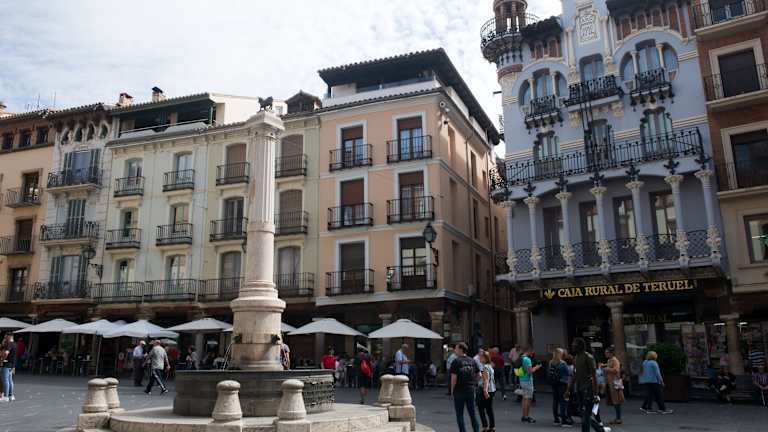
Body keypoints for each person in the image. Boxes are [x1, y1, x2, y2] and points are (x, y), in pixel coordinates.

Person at [566, 338, 603, 432]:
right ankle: (599, 429)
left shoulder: (588, 357)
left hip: (588, 388)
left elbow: (594, 376)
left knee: (586, 413)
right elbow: (575, 374)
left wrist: (596, 394)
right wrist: (568, 389)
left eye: (574, 345)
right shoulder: (576, 358)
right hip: (579, 388)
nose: (572, 346)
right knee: (582, 412)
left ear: (580, 346)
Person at [450, 342, 480, 432]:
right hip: (470, 389)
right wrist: (474, 383)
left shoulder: (456, 362)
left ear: (460, 349)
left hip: (459, 390)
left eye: (456, 348)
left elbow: (454, 378)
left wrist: (452, 390)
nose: (455, 350)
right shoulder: (472, 361)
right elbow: (479, 375)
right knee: (472, 413)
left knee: (460, 414)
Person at [549, 347, 572, 427]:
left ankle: (556, 419)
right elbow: (568, 374)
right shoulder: (563, 363)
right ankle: (564, 421)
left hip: (554, 383)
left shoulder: (551, 362)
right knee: (563, 402)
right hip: (562, 383)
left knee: (555, 401)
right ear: (560, 354)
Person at [602, 347, 625, 426]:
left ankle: (618, 418)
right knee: (615, 401)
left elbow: (616, 370)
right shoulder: (609, 360)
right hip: (611, 383)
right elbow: (610, 366)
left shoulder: (615, 360)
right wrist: (604, 365)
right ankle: (617, 418)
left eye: (607, 352)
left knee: (617, 401)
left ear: (611, 353)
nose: (605, 354)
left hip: (615, 383)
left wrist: (606, 368)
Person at [517, 346, 540, 423]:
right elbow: (530, 371)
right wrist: (536, 367)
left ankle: (524, 416)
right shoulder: (527, 359)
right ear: (529, 351)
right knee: (528, 399)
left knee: (524, 398)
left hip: (522, 379)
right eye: (532, 352)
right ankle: (526, 416)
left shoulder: (521, 358)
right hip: (527, 381)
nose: (533, 353)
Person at [476, 351, 497, 432]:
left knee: (481, 408)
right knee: (489, 409)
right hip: (492, 389)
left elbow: (486, 380)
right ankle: (492, 427)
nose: (479, 358)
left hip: (485, 390)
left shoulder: (484, 367)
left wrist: (485, 390)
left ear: (485, 358)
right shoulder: (490, 366)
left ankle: (485, 427)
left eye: (481, 357)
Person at [0, 334, 16, 402]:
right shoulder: (15, 344)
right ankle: (11, 395)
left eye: (6, 337)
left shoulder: (9, 344)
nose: (5, 338)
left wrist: (2, 360)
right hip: (12, 365)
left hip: (6, 364)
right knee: (10, 380)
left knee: (5, 380)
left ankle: (6, 396)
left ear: (10, 337)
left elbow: (6, 353)